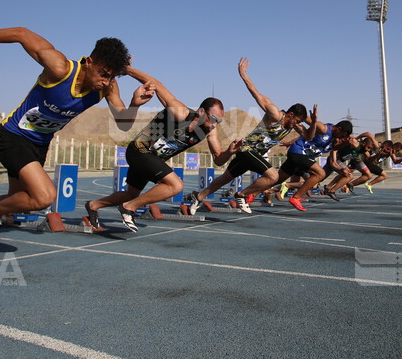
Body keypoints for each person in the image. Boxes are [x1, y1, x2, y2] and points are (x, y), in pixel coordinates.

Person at [0, 28, 153, 249]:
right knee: (44, 197)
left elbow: (123, 124)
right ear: (89, 62)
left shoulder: (108, 87)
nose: (106, 82)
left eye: (112, 76)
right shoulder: (60, 68)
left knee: (21, 201)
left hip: (39, 144)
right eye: (103, 73)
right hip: (13, 136)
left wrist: (134, 105)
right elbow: (21, 34)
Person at [84, 68, 242, 231]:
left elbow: (218, 159)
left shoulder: (210, 131)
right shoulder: (181, 112)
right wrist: (127, 70)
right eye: (213, 119)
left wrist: (230, 151)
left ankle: (93, 205)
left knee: (130, 194)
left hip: (152, 161)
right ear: (202, 112)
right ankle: (129, 208)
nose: (215, 124)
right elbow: (157, 84)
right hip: (139, 150)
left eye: (219, 122)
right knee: (176, 185)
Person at [185, 58, 308, 214]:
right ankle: (241, 195)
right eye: (296, 121)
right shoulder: (275, 114)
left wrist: (314, 121)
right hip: (247, 149)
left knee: (225, 178)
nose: (295, 125)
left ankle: (199, 197)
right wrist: (243, 75)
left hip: (253, 155)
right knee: (273, 176)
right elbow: (256, 93)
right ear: (290, 114)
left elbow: (309, 136)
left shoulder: (294, 126)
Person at [272, 110, 353, 211]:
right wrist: (293, 113)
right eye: (342, 136)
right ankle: (295, 197)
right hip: (298, 152)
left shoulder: (333, 143)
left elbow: (333, 161)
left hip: (302, 158)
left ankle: (254, 193)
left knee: (276, 179)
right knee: (320, 174)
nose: (342, 139)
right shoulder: (323, 128)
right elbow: (308, 122)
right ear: (339, 129)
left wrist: (342, 170)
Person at [323, 133, 377, 197]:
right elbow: (367, 134)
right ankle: (332, 191)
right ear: (364, 143)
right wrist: (356, 138)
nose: (368, 150)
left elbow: (370, 157)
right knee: (349, 176)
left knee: (345, 174)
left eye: (370, 149)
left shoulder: (365, 151)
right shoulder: (355, 144)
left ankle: (328, 187)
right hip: (335, 159)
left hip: (340, 160)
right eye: (368, 147)